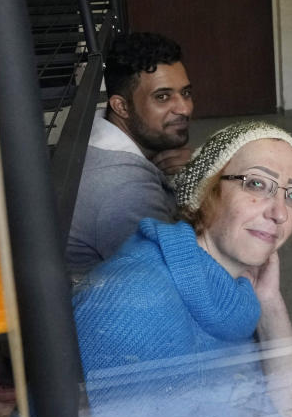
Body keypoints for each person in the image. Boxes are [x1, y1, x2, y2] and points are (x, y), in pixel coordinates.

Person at [73, 121, 292, 417]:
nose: (280, 212)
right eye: (256, 184)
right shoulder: (129, 305)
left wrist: (270, 305)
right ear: (206, 191)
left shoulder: (237, 289)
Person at [65, 32, 195, 278]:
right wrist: (202, 183)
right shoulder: (126, 191)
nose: (184, 108)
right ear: (121, 107)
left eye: (186, 93)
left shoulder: (95, 127)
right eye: (163, 97)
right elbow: (180, 279)